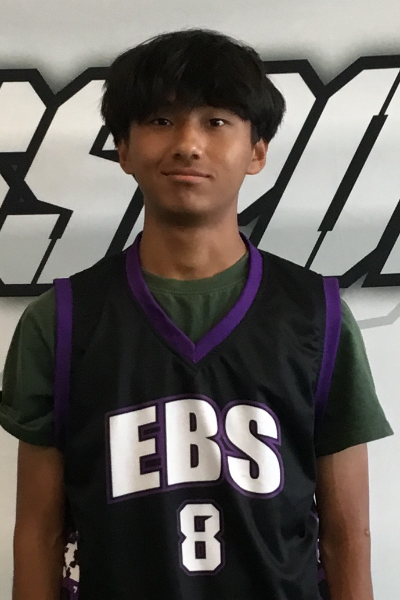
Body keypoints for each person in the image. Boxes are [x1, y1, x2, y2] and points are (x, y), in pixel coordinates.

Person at [0, 28, 393, 600]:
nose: (188, 144)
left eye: (216, 121)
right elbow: (39, 532)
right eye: (161, 120)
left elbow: (347, 534)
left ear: (256, 151)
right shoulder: (58, 322)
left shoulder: (320, 316)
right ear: (123, 149)